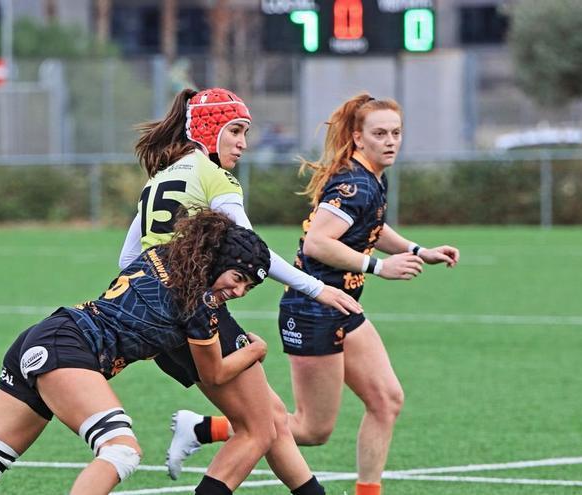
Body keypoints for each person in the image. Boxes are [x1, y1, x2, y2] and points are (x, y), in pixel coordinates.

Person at [168, 93, 461, 495]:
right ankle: (204, 428)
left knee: (387, 399)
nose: (390, 141)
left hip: (343, 305)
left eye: (396, 132)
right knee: (310, 428)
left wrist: (415, 251)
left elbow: (373, 226)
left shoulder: (373, 177)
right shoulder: (355, 184)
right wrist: (378, 266)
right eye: (379, 133)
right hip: (313, 308)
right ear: (358, 138)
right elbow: (318, 244)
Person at [0, 210, 279, 495]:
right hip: (68, 350)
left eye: (249, 287)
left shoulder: (163, 254)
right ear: (218, 262)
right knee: (121, 451)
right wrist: (256, 348)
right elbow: (214, 374)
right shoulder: (201, 306)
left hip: (45, 336)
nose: (239, 291)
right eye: (238, 278)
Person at [119, 88, 349, 493]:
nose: (244, 143)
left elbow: (128, 261)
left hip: (160, 320)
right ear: (210, 131)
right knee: (258, 427)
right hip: (197, 313)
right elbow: (253, 252)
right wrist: (317, 288)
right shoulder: (215, 178)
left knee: (273, 415)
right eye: (237, 131)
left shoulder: (161, 177)